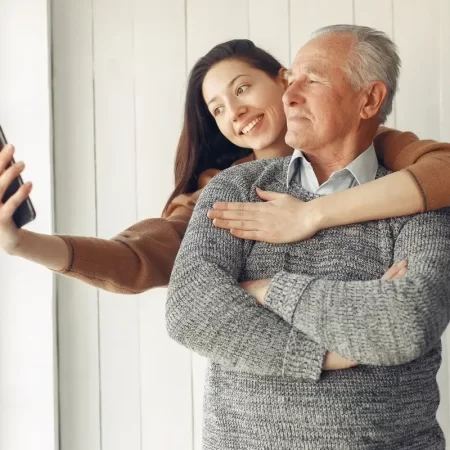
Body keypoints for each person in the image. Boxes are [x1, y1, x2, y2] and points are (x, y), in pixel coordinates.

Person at [166, 26, 450, 449]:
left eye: (311, 80)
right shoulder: (237, 189)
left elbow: (404, 323)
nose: (288, 95)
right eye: (290, 79)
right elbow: (189, 310)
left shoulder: (418, 202)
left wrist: (266, 290)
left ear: (369, 99)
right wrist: (328, 355)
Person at [0, 39, 448, 294]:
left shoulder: (378, 150)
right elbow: (136, 259)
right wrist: (23, 243)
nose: (233, 111)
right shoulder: (223, 195)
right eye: (216, 109)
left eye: (242, 88)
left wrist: (312, 215)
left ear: (283, 80)